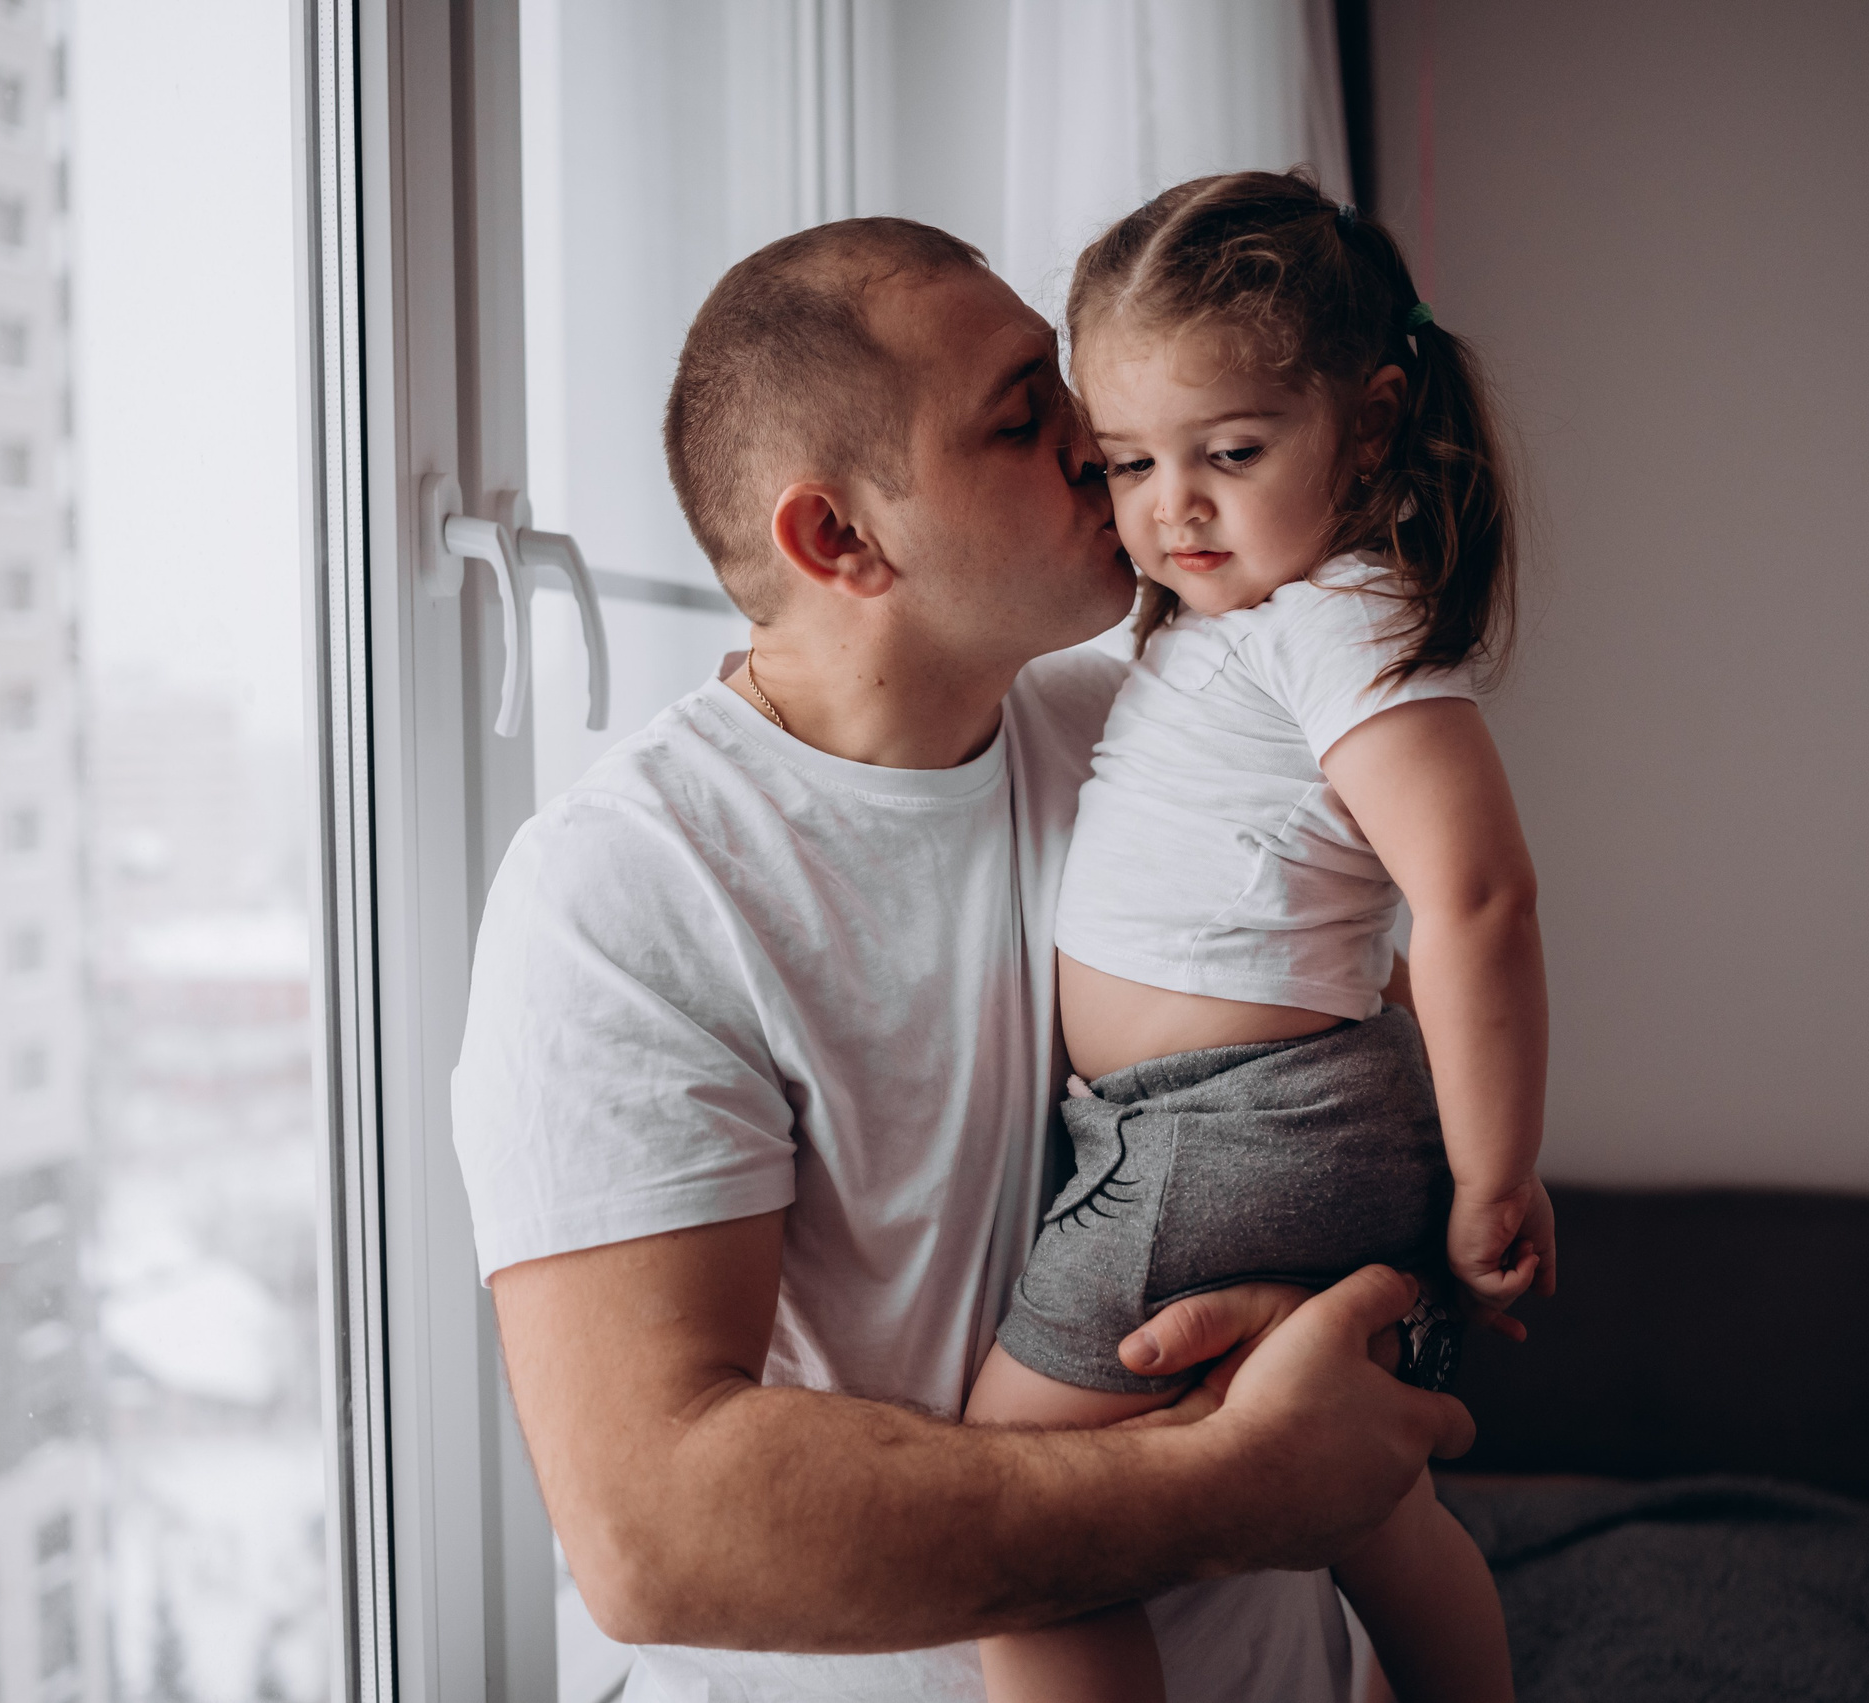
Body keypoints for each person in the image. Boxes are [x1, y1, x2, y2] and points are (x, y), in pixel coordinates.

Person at [451, 216, 1479, 1703]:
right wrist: (1239, 1483)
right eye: (1024, 419)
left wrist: (1357, 1326)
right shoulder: (624, 892)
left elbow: (1374, 1111)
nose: (1102, 440)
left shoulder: (1149, 738)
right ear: (838, 539)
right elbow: (650, 1535)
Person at [964, 174, 1551, 1703]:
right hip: (1232, 1127)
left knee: (1009, 1526)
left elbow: (1477, 894)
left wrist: (1497, 1174)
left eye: (1231, 452)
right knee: (1369, 1507)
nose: (1173, 507)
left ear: (1372, 418)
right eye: (1129, 462)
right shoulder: (1246, 625)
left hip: (1227, 1137)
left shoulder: (1344, 618)